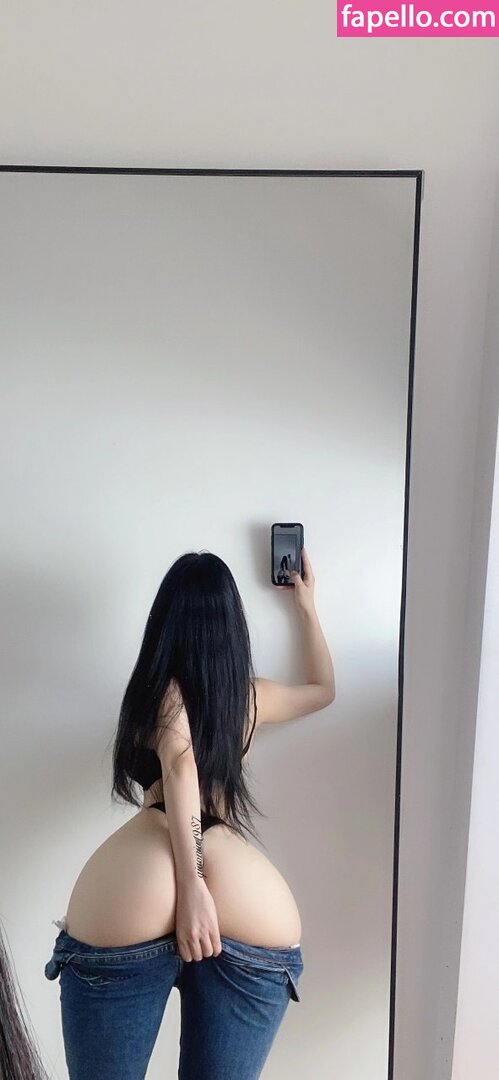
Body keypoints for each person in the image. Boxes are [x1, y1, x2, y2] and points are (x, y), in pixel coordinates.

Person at [44, 546, 335, 1079]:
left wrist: (194, 886)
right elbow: (322, 690)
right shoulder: (247, 699)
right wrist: (306, 606)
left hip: (152, 880)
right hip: (246, 898)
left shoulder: (162, 692)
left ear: (165, 623)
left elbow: (180, 768)